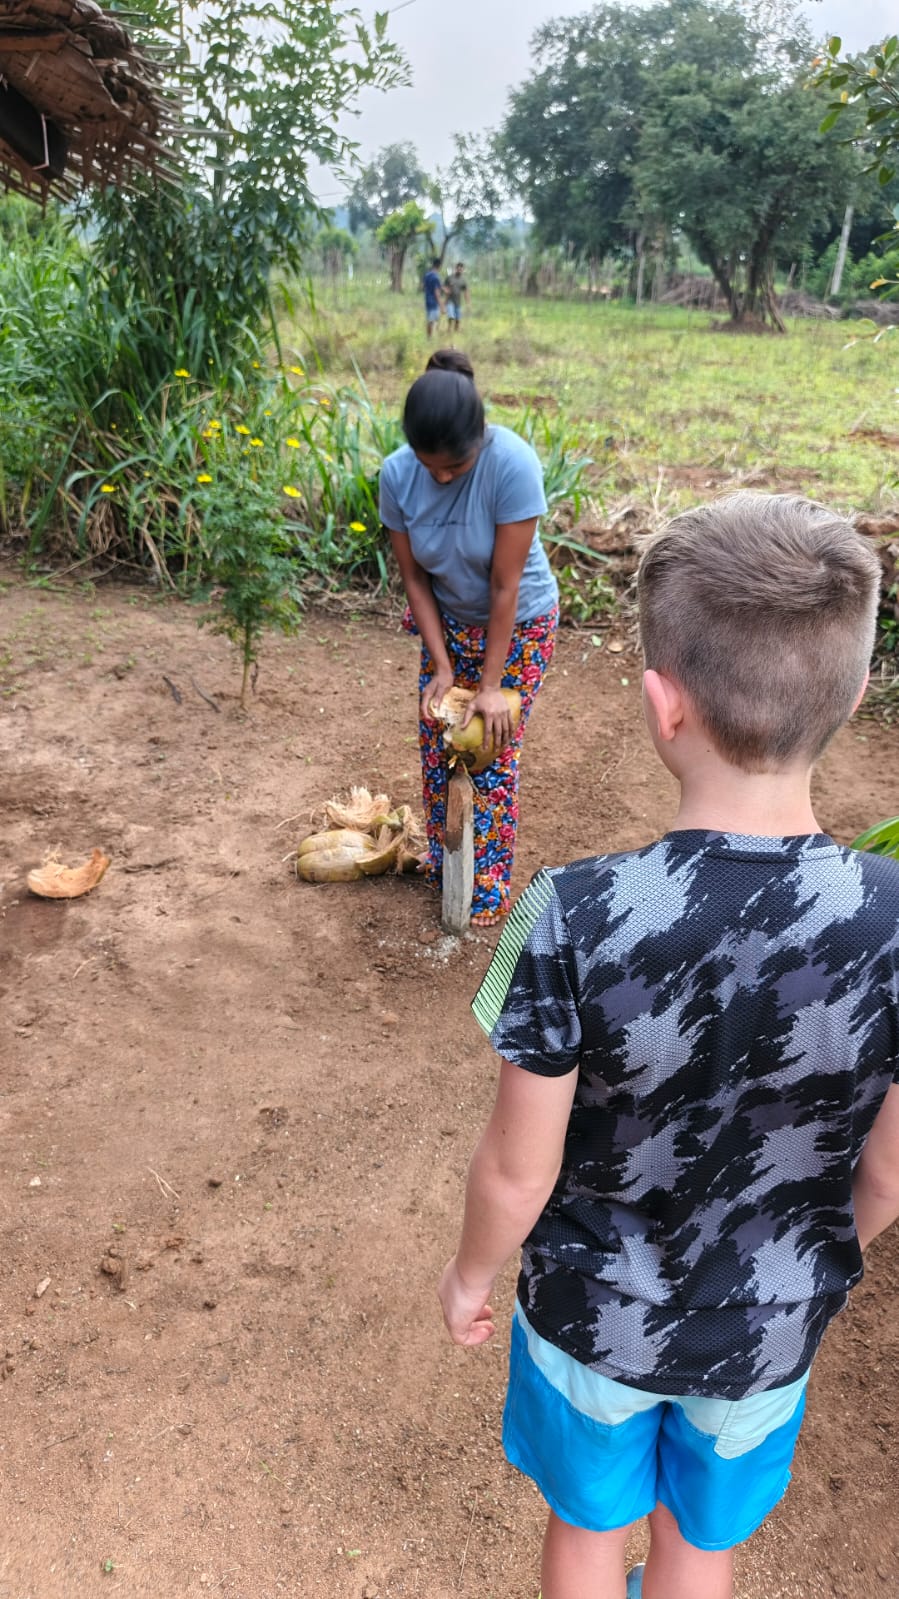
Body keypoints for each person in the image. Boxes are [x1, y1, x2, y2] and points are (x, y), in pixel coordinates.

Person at [438, 492, 899, 1599]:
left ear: (660, 703)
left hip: (591, 1316)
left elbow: (517, 1168)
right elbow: (886, 1173)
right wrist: (809, 1263)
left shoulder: (564, 912)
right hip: (766, 1328)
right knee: (700, 1541)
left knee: (587, 1525)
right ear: (851, 697)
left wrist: (469, 1275)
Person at [380, 368, 559, 926]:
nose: (440, 477)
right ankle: (447, 862)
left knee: (487, 747)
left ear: (479, 442)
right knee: (439, 745)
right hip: (448, 623)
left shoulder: (513, 466)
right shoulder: (396, 475)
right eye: (428, 465)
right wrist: (440, 664)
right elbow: (414, 579)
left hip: (518, 625)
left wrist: (489, 687)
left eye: (454, 468)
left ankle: (488, 883)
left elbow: (505, 587)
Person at [442, 262, 470, 336]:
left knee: (458, 319)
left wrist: (468, 303)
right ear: (456, 268)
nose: (459, 270)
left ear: (463, 270)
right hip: (450, 301)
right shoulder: (449, 278)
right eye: (458, 269)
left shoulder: (463, 280)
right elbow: (443, 286)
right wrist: (446, 290)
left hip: (458, 302)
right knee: (451, 317)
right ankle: (449, 330)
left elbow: (465, 292)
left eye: (461, 269)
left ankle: (456, 332)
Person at [422, 257, 443, 339]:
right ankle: (430, 338)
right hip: (434, 302)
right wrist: (442, 306)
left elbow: (424, 287)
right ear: (439, 266)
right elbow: (437, 293)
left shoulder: (427, 275)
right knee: (432, 321)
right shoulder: (436, 277)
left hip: (427, 300)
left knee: (430, 320)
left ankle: (430, 337)